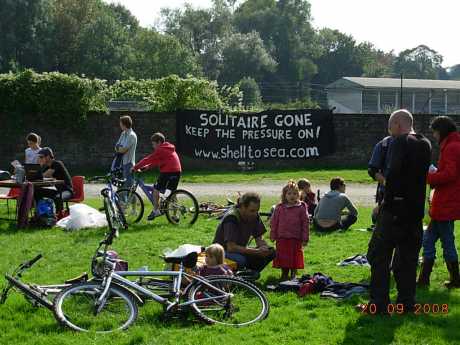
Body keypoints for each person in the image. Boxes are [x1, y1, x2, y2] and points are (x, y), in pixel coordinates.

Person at [363, 109, 431, 314]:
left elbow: (392, 174)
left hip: (394, 211)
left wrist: (384, 203)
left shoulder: (398, 142)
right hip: (415, 211)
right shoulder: (425, 144)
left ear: (398, 125)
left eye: (390, 126)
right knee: (407, 260)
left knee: (378, 254)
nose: (389, 130)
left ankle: (379, 304)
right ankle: (406, 304)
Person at [418, 116, 460, 288]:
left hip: (446, 202)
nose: (434, 136)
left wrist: (428, 177)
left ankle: (454, 279)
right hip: (447, 201)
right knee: (429, 239)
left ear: (441, 131)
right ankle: (424, 278)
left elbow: (450, 174)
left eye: (434, 132)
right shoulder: (453, 145)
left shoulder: (451, 148)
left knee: (446, 241)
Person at [213, 192, 276, 273]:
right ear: (243, 207)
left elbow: (259, 238)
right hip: (221, 252)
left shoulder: (254, 216)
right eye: (252, 211)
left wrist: (263, 248)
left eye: (257, 210)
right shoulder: (232, 218)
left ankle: (250, 274)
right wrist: (256, 252)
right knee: (241, 260)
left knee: (271, 252)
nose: (255, 213)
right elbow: (231, 247)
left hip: (238, 250)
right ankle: (241, 276)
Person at [132, 132, 182, 221]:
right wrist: (148, 167)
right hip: (177, 172)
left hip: (168, 172)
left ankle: (156, 210)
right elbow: (158, 161)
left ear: (159, 142)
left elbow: (148, 159)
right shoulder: (168, 148)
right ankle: (175, 215)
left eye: (153, 144)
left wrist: (135, 167)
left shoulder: (160, 150)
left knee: (156, 190)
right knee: (172, 193)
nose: (153, 146)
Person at [270, 181, 309, 281]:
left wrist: (305, 238)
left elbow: (305, 223)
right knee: (283, 256)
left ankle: (293, 273)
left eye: (295, 193)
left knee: (294, 256)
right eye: (289, 193)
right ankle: (284, 273)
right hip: (282, 237)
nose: (292, 196)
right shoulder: (279, 208)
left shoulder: (301, 207)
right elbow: (274, 222)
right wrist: (273, 234)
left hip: (296, 237)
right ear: (284, 195)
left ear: (298, 194)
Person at [34, 147, 74, 217]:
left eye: (41, 157)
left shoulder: (57, 163)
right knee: (36, 192)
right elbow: (39, 177)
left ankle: (59, 217)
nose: (40, 159)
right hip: (58, 190)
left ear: (48, 156)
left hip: (67, 190)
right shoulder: (46, 167)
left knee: (58, 197)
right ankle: (41, 214)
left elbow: (45, 175)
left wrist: (39, 165)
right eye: (39, 157)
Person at [368, 135, 393, 228]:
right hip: (386, 192)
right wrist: (387, 184)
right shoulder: (384, 145)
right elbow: (372, 170)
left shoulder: (416, 143)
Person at [115, 115, 137, 189]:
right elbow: (116, 146)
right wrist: (119, 148)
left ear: (124, 124)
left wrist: (119, 148)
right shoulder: (123, 133)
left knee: (128, 186)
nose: (120, 125)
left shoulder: (132, 135)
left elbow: (124, 149)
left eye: (120, 123)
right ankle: (121, 200)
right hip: (121, 163)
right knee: (120, 185)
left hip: (128, 163)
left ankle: (131, 200)